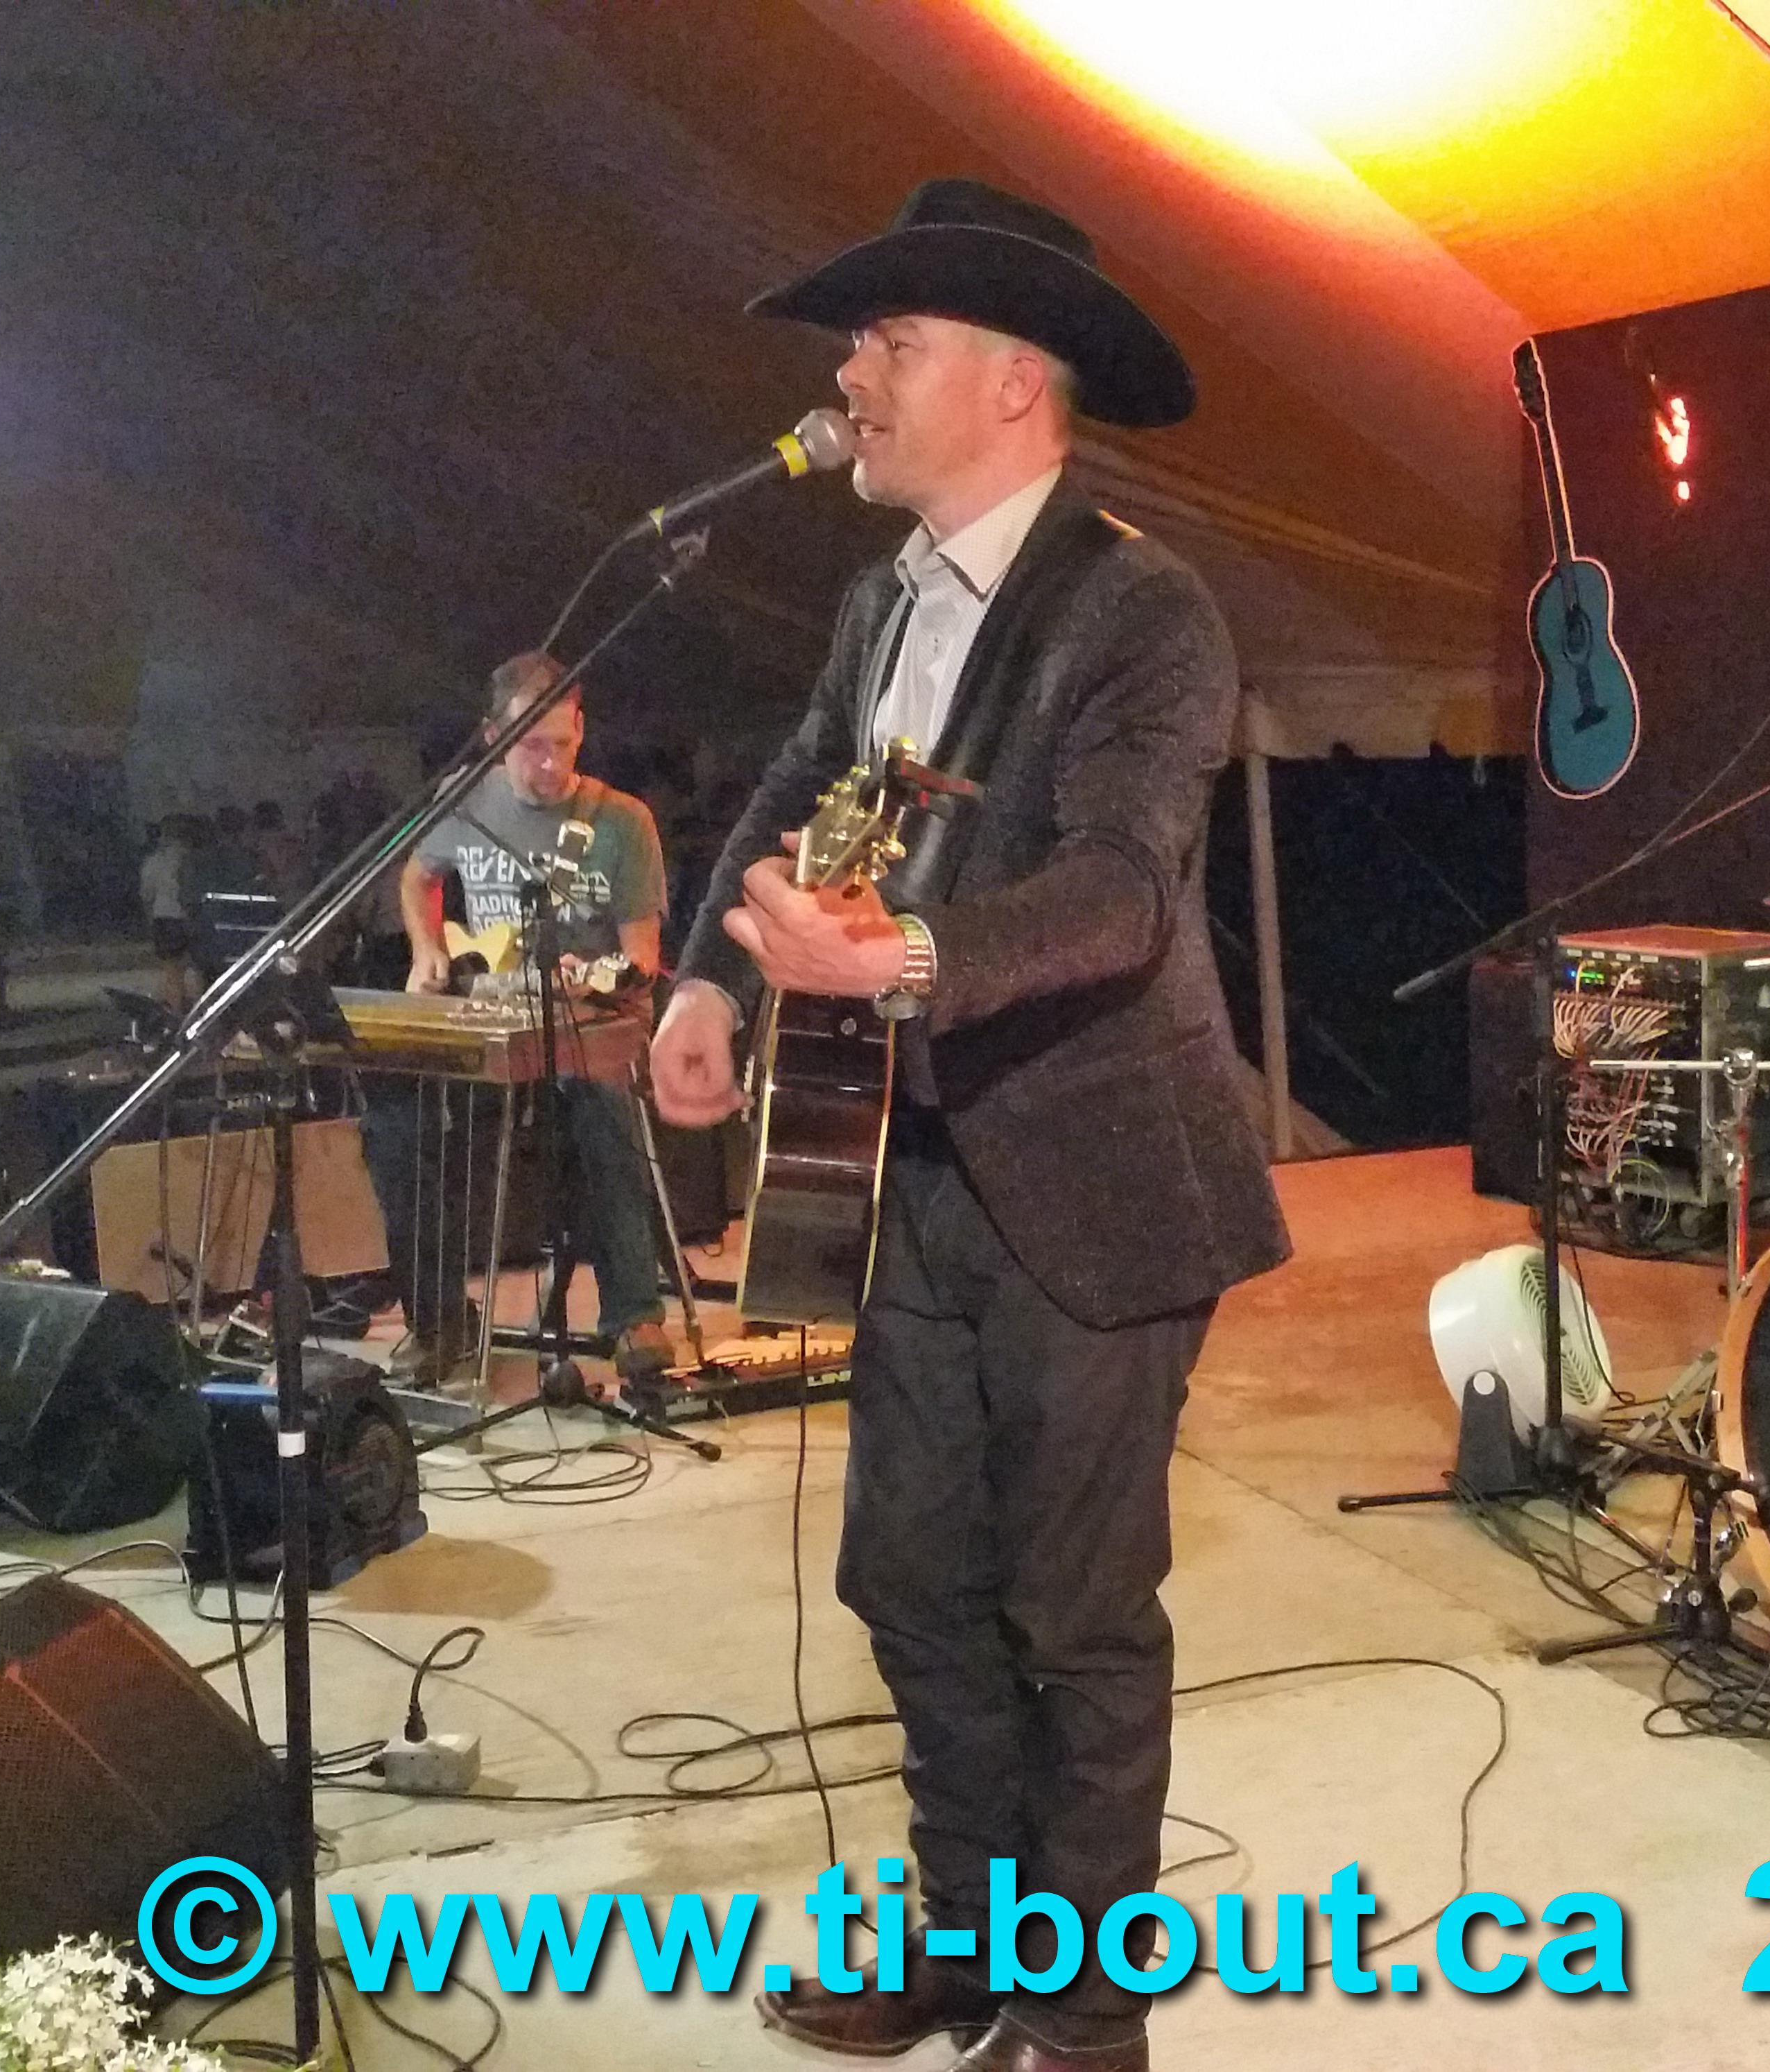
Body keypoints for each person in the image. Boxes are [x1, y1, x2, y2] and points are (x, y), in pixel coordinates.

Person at [650, 179, 1289, 2072]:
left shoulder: (1141, 608)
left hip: (1098, 1186)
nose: (848, 374)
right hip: (906, 1164)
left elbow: (1121, 890)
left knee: (1071, 1614)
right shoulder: (881, 599)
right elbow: (800, 782)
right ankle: (967, 1941)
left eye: (889, 340)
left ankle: (1084, 2024)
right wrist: (707, 979)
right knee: (913, 1579)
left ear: (1014, 380)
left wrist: (902, 956)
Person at [361, 654, 676, 1390]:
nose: (550, 764)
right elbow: (417, 875)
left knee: (602, 1110)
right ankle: (439, 1321)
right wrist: (427, 947)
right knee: (399, 1128)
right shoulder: (464, 804)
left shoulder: (621, 821)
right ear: (493, 737)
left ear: (581, 730)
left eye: (563, 744)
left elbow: (641, 956)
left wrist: (594, 979)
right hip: (493, 1025)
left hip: (586, 1025)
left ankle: (634, 1316)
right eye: (532, 746)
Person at [137, 818, 194, 1006]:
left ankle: (176, 1011)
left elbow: (147, 894)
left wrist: (150, 920)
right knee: (196, 969)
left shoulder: (154, 862)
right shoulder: (192, 860)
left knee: (172, 971)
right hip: (191, 917)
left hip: (165, 917)